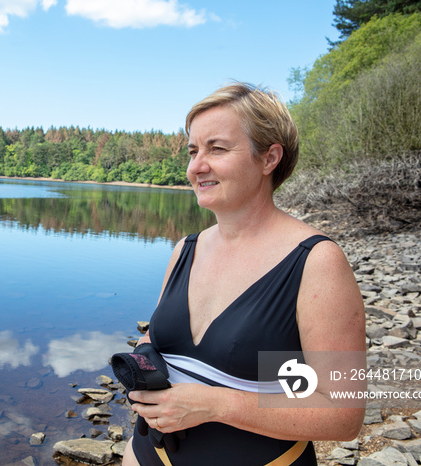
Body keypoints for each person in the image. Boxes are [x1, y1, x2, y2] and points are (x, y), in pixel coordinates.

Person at [122, 82, 366, 465]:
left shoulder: (315, 263)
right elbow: (158, 337)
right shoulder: (185, 250)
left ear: (269, 158)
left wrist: (218, 404)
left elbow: (343, 414)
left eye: (217, 148)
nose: (196, 166)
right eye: (193, 151)